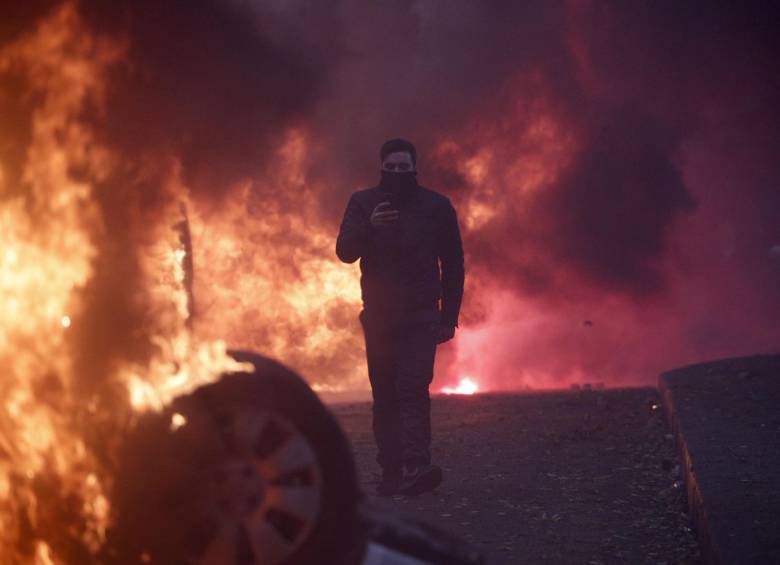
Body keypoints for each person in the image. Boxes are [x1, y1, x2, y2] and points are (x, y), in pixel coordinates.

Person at [336, 138, 465, 496]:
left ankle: (415, 466)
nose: (396, 173)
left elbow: (453, 264)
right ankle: (391, 470)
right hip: (379, 317)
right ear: (381, 168)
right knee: (386, 395)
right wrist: (370, 228)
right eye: (390, 168)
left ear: (414, 168)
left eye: (402, 167)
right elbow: (345, 252)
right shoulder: (363, 203)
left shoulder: (437, 206)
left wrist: (448, 316)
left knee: (413, 388)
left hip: (422, 315)